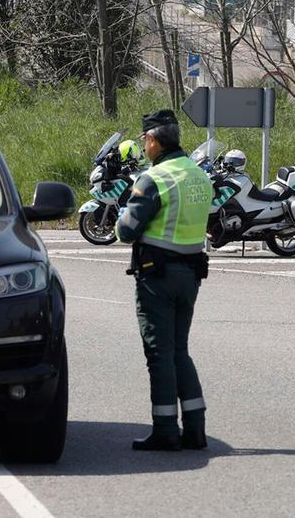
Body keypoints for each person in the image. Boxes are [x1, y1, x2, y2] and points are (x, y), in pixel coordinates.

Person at [115, 109, 213, 451]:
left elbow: (127, 231)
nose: (144, 146)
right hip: (190, 273)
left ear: (154, 140)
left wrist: (120, 211)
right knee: (179, 351)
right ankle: (196, 429)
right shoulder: (199, 175)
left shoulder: (153, 178)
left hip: (157, 275)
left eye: (145, 141)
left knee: (159, 353)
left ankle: (166, 430)